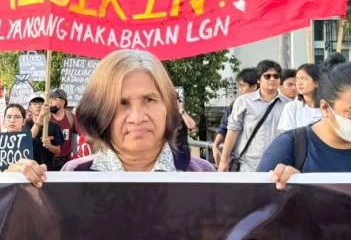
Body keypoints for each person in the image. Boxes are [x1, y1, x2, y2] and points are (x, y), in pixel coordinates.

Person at [14, 50, 211, 181]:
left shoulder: (201, 174)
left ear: (169, 105)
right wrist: (16, 187)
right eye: (121, 103)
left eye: (149, 100)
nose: (137, 117)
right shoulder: (74, 175)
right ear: (100, 112)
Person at [219, 62, 288, 172]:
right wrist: (224, 160)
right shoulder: (244, 101)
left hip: (278, 166)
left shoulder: (288, 105)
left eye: (276, 76)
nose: (272, 79)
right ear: (258, 80)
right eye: (267, 76)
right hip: (247, 165)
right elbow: (233, 130)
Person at [0, 103, 29, 171]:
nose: (12, 121)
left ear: (24, 121)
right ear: (4, 120)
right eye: (9, 117)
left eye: (17, 117)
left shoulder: (32, 143)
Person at [278, 62, 323, 132]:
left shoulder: (328, 107)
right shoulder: (292, 108)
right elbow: (288, 136)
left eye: (303, 79)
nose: (299, 83)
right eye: (297, 79)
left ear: (316, 82)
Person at [45, 88, 79, 170]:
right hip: (48, 161)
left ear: (63, 102)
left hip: (66, 161)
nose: (50, 102)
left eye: (54, 99)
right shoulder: (45, 118)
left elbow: (84, 134)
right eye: (49, 99)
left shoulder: (71, 117)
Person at [27, 95, 64, 170]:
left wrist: (49, 146)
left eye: (41, 103)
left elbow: (57, 150)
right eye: (34, 104)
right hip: (30, 168)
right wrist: (41, 115)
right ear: (30, 108)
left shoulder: (55, 127)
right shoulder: (26, 124)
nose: (38, 106)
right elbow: (28, 139)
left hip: (49, 168)